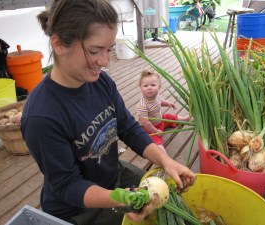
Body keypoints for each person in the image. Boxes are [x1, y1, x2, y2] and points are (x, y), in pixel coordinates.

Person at [20, 1, 196, 225]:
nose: (104, 62)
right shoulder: (42, 117)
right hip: (77, 209)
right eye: (94, 51)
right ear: (59, 44)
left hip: (112, 176)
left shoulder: (100, 82)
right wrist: (120, 199)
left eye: (109, 49)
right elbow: (68, 186)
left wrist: (166, 161)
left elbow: (128, 127)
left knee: (174, 204)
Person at [137, 70, 190, 153]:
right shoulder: (142, 105)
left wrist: (167, 103)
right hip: (151, 128)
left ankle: (184, 119)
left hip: (161, 120)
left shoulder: (156, 96)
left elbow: (160, 101)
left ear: (159, 87)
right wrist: (155, 131)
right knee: (157, 143)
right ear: (140, 87)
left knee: (169, 116)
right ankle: (164, 157)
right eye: (145, 85)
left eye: (153, 85)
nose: (149, 87)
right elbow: (145, 123)